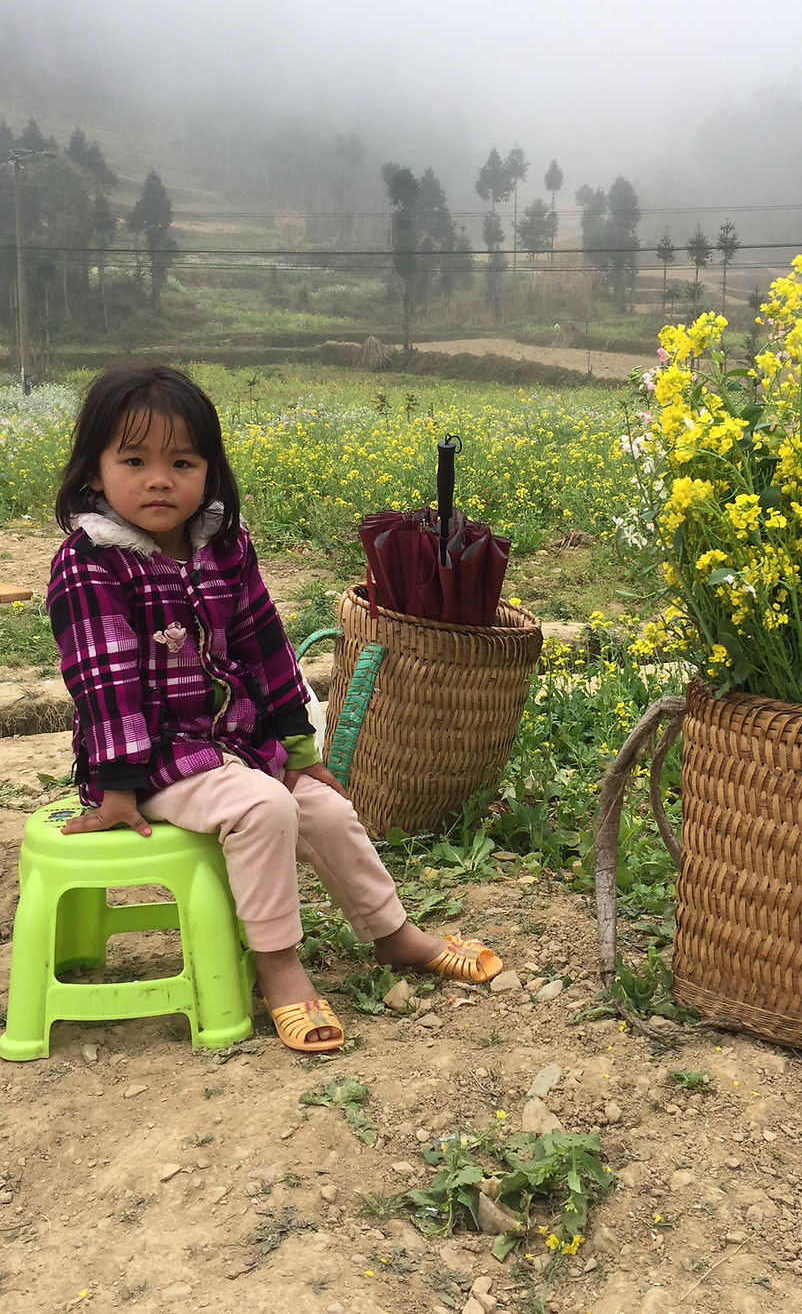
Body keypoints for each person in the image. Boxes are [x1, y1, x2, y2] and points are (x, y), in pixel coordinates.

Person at [46, 364, 502, 1054]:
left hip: (236, 744)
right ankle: (279, 967)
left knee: (323, 807)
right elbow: (104, 686)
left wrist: (300, 751)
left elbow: (266, 648)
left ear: (210, 470)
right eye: (133, 461)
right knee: (266, 809)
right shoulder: (91, 565)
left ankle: (393, 934)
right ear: (94, 473)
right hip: (154, 759)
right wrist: (116, 789)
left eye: (182, 461)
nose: (159, 479)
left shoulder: (222, 545)